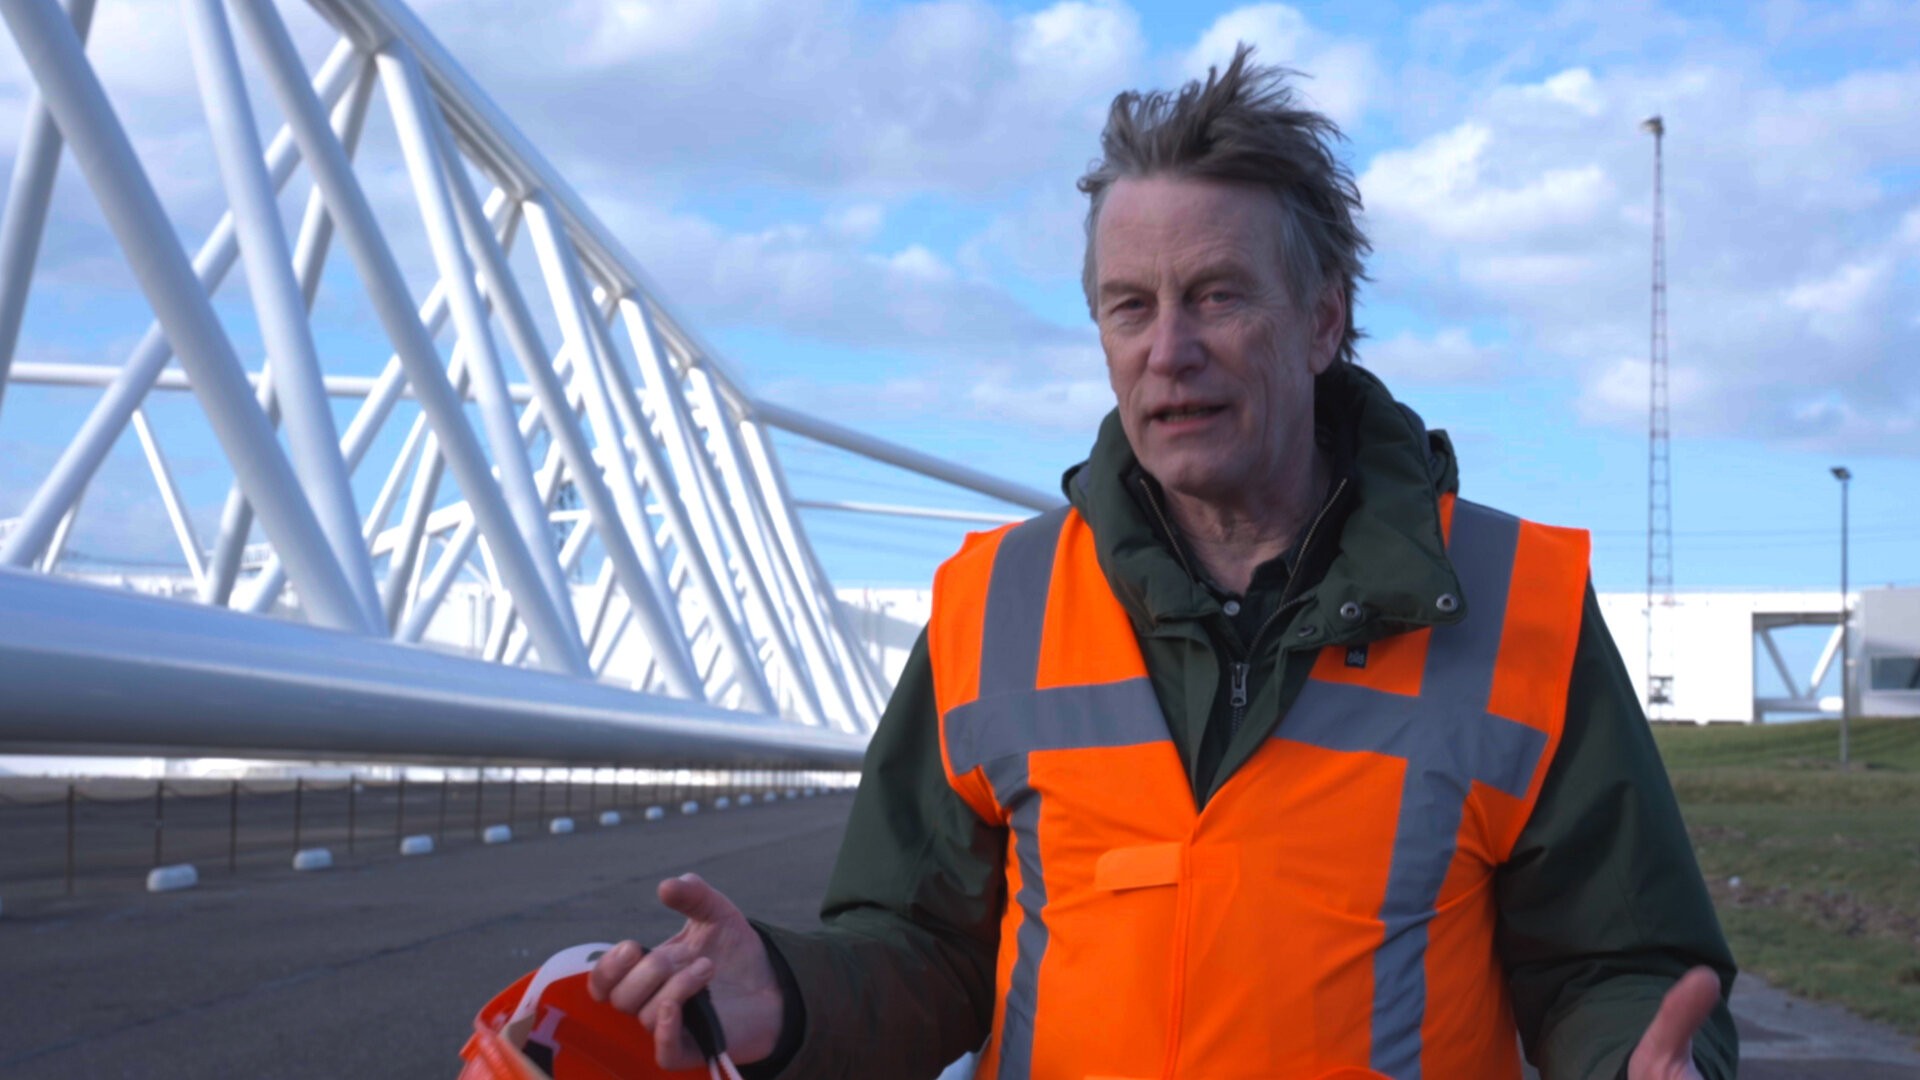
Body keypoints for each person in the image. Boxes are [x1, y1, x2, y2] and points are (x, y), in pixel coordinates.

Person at [588, 46, 1739, 1080]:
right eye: (1129, 307)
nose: (1170, 352)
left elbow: (1613, 962)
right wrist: (783, 996)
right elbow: (926, 951)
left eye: (1219, 297)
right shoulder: (993, 607)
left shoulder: (1512, 602)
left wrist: (1643, 1062)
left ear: (1325, 320)